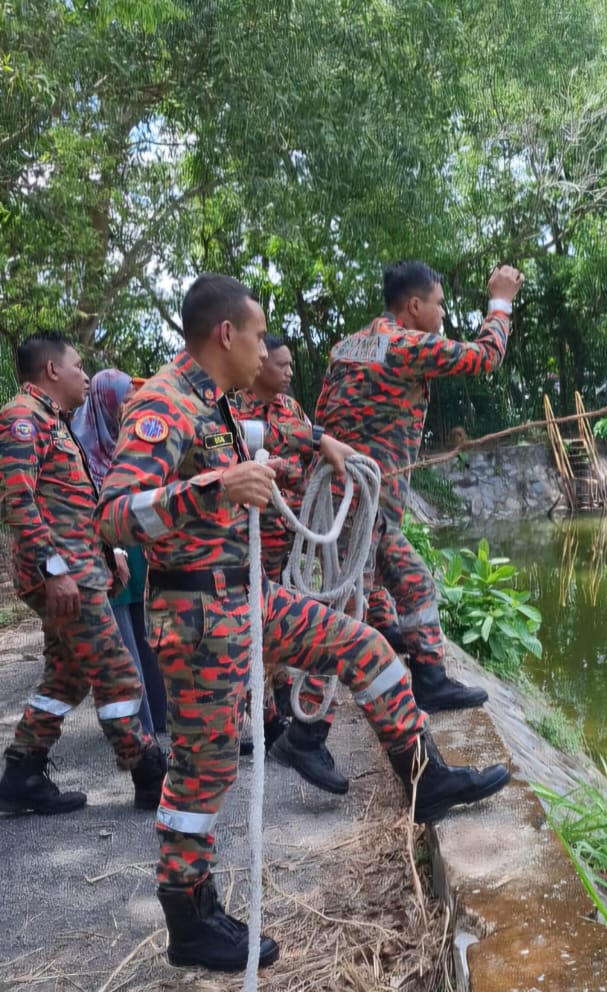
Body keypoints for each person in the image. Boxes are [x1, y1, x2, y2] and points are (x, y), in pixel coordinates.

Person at [96, 273, 510, 973]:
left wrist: (321, 443)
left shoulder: (218, 405)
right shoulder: (162, 403)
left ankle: (424, 777)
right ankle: (190, 917)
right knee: (205, 771)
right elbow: (113, 513)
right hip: (198, 614)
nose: (266, 352)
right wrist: (214, 486)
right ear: (226, 334)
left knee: (367, 647)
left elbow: (280, 427)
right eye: (258, 336)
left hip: (246, 597)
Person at [315, 260, 523, 713]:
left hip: (354, 503)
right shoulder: (404, 345)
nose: (443, 315)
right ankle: (309, 731)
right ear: (413, 306)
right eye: (440, 305)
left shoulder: (345, 348)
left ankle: (429, 679)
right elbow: (485, 357)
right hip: (363, 505)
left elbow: (322, 421)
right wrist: (501, 300)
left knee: (415, 585)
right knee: (344, 618)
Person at [0, 334, 167, 815]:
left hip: (81, 566)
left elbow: (68, 503)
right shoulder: (22, 418)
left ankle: (22, 773)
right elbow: (19, 500)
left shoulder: (56, 422)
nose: (86, 376)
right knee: (117, 672)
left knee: (67, 677)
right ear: (52, 371)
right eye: (78, 366)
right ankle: (149, 773)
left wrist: (106, 549)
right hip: (62, 573)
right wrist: (54, 570)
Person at [230, 335, 347, 794]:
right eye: (281, 364)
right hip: (246, 546)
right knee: (254, 635)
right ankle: (253, 726)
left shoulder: (291, 409)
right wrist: (311, 444)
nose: (288, 371)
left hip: (288, 541)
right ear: (258, 367)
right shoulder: (232, 413)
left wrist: (292, 467)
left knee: (278, 641)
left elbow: (305, 465)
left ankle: (277, 723)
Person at [71, 368, 167, 735]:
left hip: (140, 551)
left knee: (149, 640)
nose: (131, 404)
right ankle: (139, 731)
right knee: (123, 644)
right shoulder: (83, 444)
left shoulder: (131, 441)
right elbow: (88, 508)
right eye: (125, 397)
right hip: (109, 555)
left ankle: (161, 718)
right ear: (106, 400)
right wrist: (113, 551)